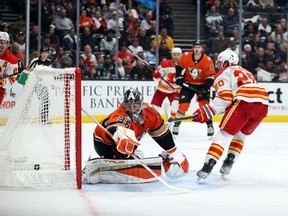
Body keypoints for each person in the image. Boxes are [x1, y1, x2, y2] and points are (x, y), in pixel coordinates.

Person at [193, 50, 268, 181]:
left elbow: (225, 97)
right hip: (263, 104)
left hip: (245, 101)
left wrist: (205, 112)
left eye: (220, 62)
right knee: (241, 135)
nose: (218, 65)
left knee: (224, 134)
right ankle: (229, 162)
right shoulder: (247, 72)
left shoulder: (224, 72)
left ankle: (208, 165)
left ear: (226, 62)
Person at [92, 89, 189, 181]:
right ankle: (112, 162)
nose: (132, 109)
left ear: (141, 104)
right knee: (131, 160)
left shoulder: (150, 112)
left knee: (130, 153)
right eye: (129, 106)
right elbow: (115, 126)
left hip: (125, 144)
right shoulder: (120, 115)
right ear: (124, 105)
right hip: (103, 142)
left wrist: (174, 151)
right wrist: (120, 134)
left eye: (135, 105)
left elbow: (161, 133)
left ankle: (125, 157)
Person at [173, 40, 216, 139]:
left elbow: (210, 77)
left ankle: (209, 126)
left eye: (199, 47)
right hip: (188, 84)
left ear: (202, 48)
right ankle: (176, 125)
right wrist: (179, 77)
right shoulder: (185, 55)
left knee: (204, 106)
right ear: (193, 48)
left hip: (202, 85)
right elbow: (178, 67)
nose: (197, 49)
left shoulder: (208, 60)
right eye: (195, 47)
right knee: (183, 106)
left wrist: (206, 89)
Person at [151, 47, 182, 130]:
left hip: (175, 90)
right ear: (172, 55)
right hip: (162, 89)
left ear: (181, 55)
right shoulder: (165, 64)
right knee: (153, 108)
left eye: (178, 55)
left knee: (175, 104)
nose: (176, 56)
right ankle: (151, 123)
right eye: (174, 54)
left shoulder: (185, 65)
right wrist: (156, 75)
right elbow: (156, 77)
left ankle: (171, 120)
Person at [0, 31, 18, 105]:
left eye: (5, 43)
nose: (3, 45)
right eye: (1, 42)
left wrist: (2, 82)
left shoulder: (12, 59)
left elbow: (12, 79)